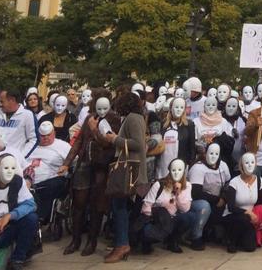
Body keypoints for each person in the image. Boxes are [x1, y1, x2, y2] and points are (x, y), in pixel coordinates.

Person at [61, 91, 119, 256]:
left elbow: (108, 143)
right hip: (85, 163)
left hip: (101, 165)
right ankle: (75, 240)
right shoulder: (89, 118)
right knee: (78, 204)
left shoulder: (114, 119)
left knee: (97, 205)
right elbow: (79, 141)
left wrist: (95, 130)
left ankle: (92, 242)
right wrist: (66, 163)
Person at [104, 92, 149, 263]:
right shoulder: (133, 117)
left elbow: (138, 144)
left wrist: (115, 139)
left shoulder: (133, 118)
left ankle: (122, 244)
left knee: (120, 207)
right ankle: (122, 242)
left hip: (132, 170)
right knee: (121, 207)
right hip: (132, 169)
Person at [139, 158, 194, 254]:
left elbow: (185, 209)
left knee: (189, 217)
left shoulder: (187, 185)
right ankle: (147, 242)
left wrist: (178, 193)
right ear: (169, 171)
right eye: (173, 170)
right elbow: (147, 205)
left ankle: (173, 241)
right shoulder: (159, 184)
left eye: (180, 170)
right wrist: (153, 217)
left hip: (173, 218)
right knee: (148, 231)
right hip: (158, 219)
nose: (176, 173)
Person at [22, 121, 70, 229]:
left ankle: (40, 217)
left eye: (48, 135)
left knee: (51, 186)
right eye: (43, 136)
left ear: (54, 133)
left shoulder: (63, 146)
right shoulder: (30, 146)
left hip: (52, 179)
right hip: (27, 179)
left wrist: (66, 167)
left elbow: (73, 162)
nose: (46, 138)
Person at [0, 154, 37, 269]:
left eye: (13, 168)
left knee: (31, 219)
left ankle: (17, 260)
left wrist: (10, 216)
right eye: (5, 168)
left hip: (8, 228)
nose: (9, 172)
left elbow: (30, 204)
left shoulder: (17, 181)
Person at [188, 143, 231, 249]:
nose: (213, 156)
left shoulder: (223, 166)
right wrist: (217, 200)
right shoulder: (198, 168)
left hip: (218, 200)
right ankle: (196, 237)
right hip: (197, 201)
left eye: (216, 154)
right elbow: (196, 193)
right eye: (211, 153)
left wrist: (224, 198)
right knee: (204, 206)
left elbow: (229, 183)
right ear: (205, 153)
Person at [221, 153, 262, 253]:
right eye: (246, 163)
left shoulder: (259, 180)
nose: (249, 165)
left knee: (250, 247)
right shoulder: (234, 182)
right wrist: (248, 212)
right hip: (234, 216)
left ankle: (241, 238)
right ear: (241, 165)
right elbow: (231, 207)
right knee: (243, 218)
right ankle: (231, 241)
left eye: (252, 162)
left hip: (250, 218)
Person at [157, 97, 196, 180]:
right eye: (176, 107)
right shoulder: (163, 124)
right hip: (163, 165)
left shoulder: (189, 125)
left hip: (180, 166)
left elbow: (192, 147)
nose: (179, 110)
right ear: (171, 108)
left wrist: (190, 164)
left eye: (181, 107)